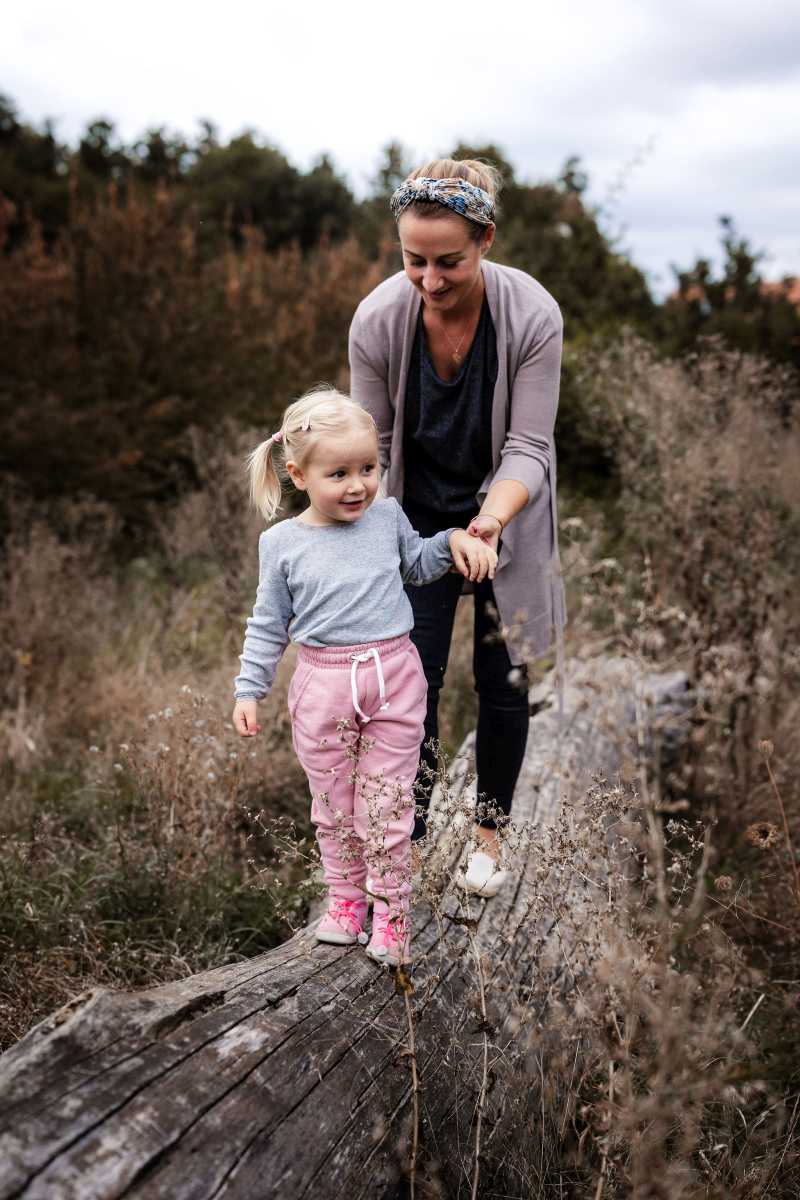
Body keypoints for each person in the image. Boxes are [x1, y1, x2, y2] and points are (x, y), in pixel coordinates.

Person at [349, 159, 565, 898]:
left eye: (449, 261)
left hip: (506, 508)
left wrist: (490, 524)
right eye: (414, 261)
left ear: (486, 241)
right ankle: (404, 845)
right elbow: (371, 449)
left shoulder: (533, 315)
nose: (430, 280)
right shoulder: (379, 321)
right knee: (414, 682)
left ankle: (488, 840)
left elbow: (530, 448)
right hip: (412, 519)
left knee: (503, 680)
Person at [232, 387, 496, 967]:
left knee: (387, 805)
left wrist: (452, 541)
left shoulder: (386, 518)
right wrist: (250, 689)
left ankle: (393, 916)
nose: (358, 485)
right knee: (333, 804)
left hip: (395, 677)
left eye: (369, 469)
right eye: (339, 473)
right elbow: (268, 623)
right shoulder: (281, 545)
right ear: (299, 474)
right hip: (322, 687)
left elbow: (419, 564)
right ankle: (347, 903)